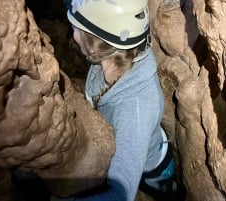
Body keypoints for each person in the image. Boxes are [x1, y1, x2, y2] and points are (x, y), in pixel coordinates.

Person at [54, 0, 177, 200]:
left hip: (153, 171)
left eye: (76, 28)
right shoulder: (112, 58)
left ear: (96, 43)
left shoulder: (135, 110)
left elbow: (122, 192)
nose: (73, 34)